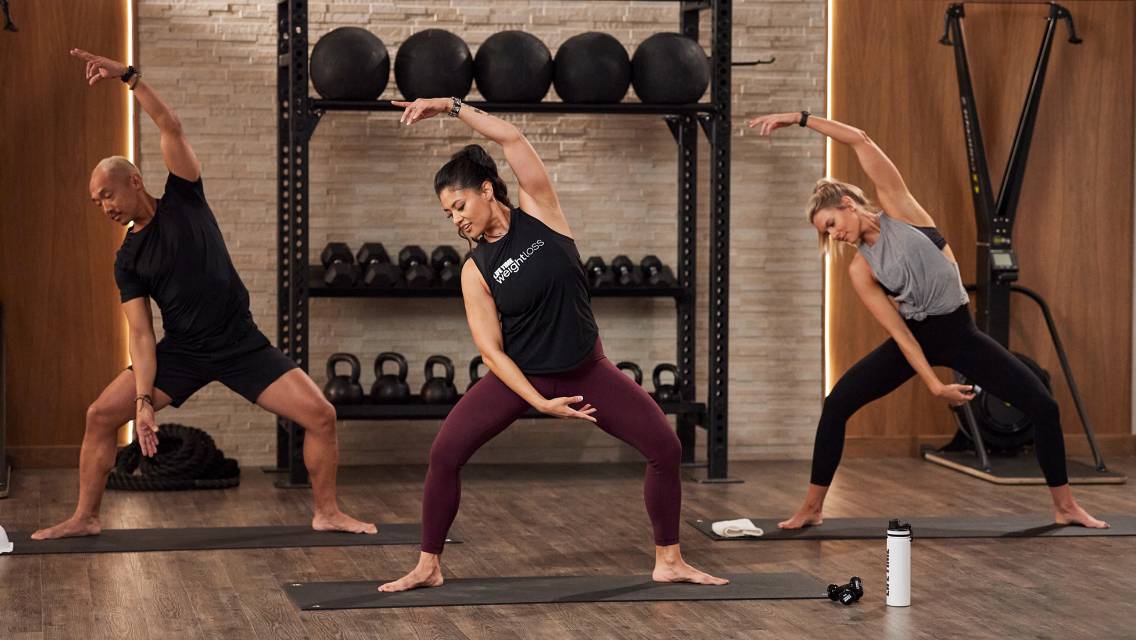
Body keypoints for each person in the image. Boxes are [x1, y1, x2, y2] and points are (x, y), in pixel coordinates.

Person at [378, 97, 728, 592]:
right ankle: (428, 564)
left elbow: (512, 139)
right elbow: (491, 352)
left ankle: (669, 559)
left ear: (485, 190)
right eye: (446, 214)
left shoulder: (540, 213)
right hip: (523, 376)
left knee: (665, 448)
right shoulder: (475, 270)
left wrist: (452, 106)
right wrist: (538, 401)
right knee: (445, 453)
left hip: (587, 370)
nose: (455, 219)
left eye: (459, 205)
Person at [31, 49, 376, 540]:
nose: (103, 206)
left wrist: (128, 77)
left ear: (133, 181)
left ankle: (327, 511)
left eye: (107, 194)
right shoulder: (127, 259)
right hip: (185, 352)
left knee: (321, 415)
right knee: (100, 415)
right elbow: (141, 335)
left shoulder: (185, 197)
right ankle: (85, 517)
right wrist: (145, 400)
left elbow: (170, 126)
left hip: (240, 343)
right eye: (95, 202)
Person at [746, 111, 1108, 530]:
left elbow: (861, 138)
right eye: (825, 234)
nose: (833, 235)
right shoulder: (861, 270)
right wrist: (933, 383)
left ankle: (1065, 506)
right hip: (916, 336)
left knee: (1043, 405)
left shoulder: (903, 213)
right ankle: (811, 507)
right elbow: (900, 333)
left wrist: (801, 118)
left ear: (846, 204)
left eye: (830, 224)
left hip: (959, 333)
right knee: (837, 404)